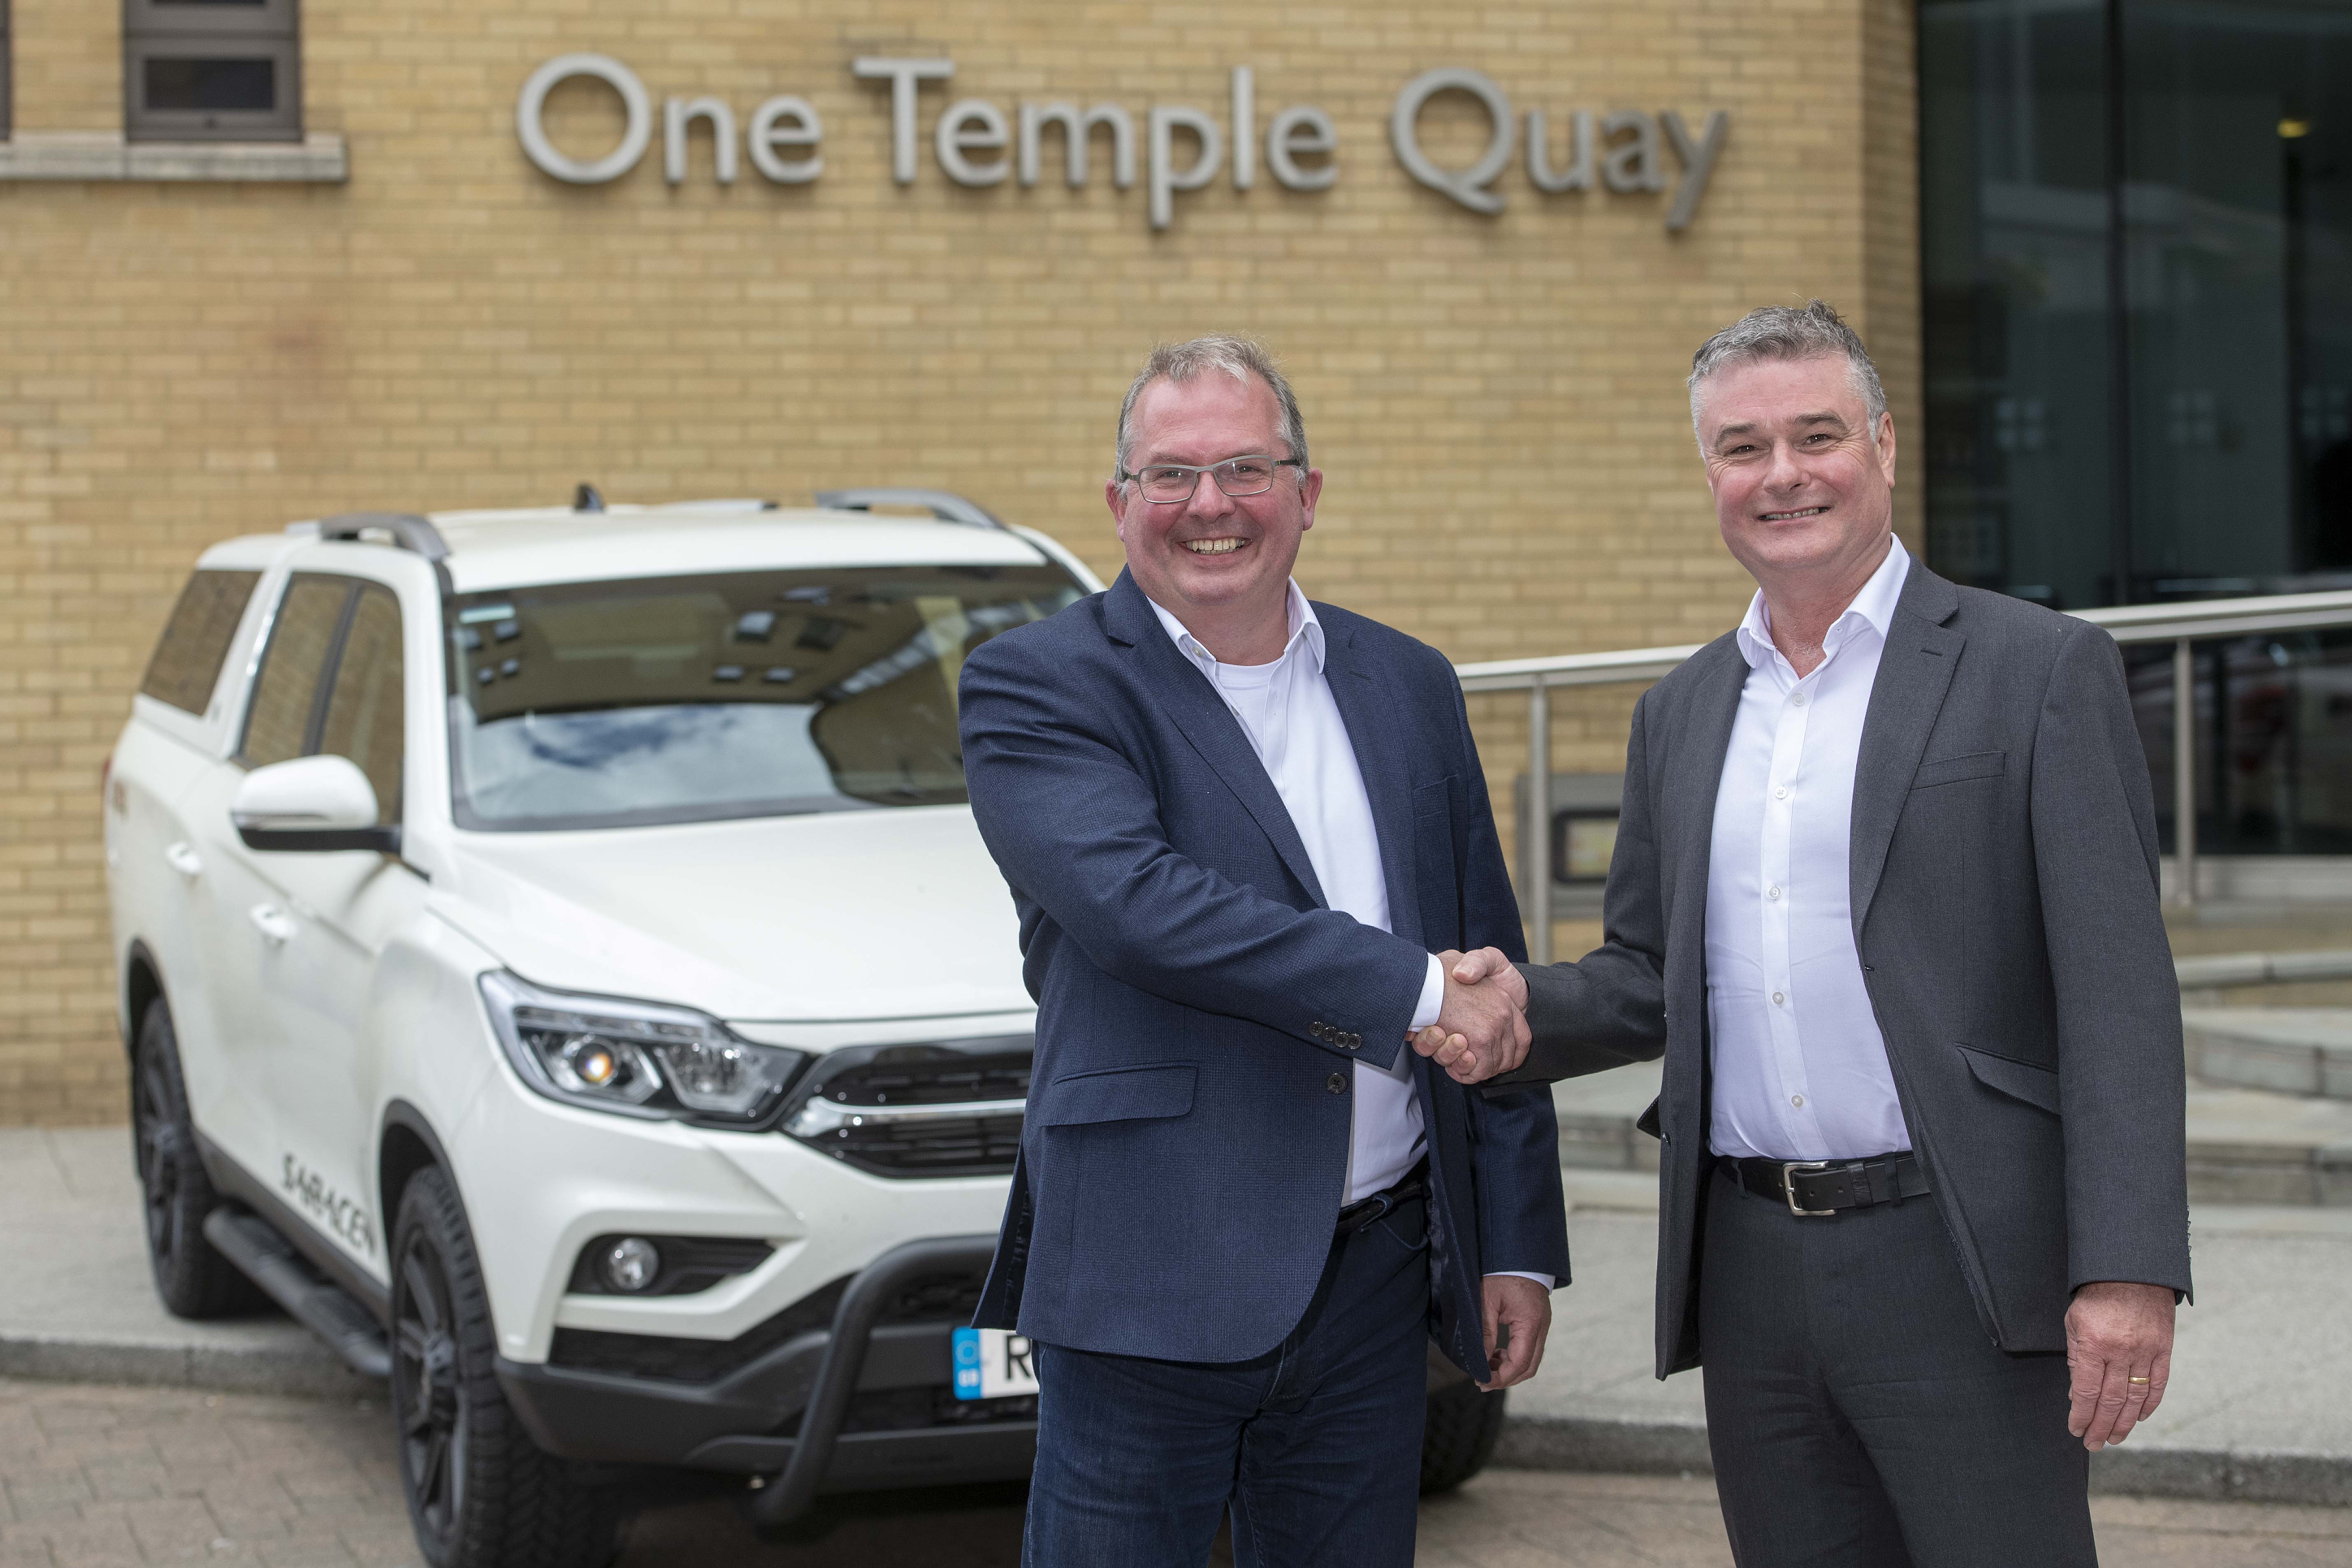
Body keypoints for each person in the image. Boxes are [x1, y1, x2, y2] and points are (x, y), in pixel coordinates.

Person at [1438, 301, 2191, 1566]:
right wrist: (1496, 1008)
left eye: (1814, 435)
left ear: (1883, 447)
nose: (1780, 475)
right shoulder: (1679, 710)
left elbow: (2117, 996)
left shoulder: (2035, 669)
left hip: (1958, 1261)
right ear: (1710, 475)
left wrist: (2127, 1272)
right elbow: (1644, 979)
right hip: (1750, 1271)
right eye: (1742, 448)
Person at [958, 335, 1566, 1568]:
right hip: (1148, 1273)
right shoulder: (1036, 685)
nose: (1209, 506)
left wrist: (1512, 1239)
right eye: (1170, 475)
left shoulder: (1407, 682)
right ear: (1118, 502)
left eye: (1244, 467)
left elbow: (1484, 949)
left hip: (1374, 1277)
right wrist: (1411, 989)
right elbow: (1141, 904)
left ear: (1306, 491)